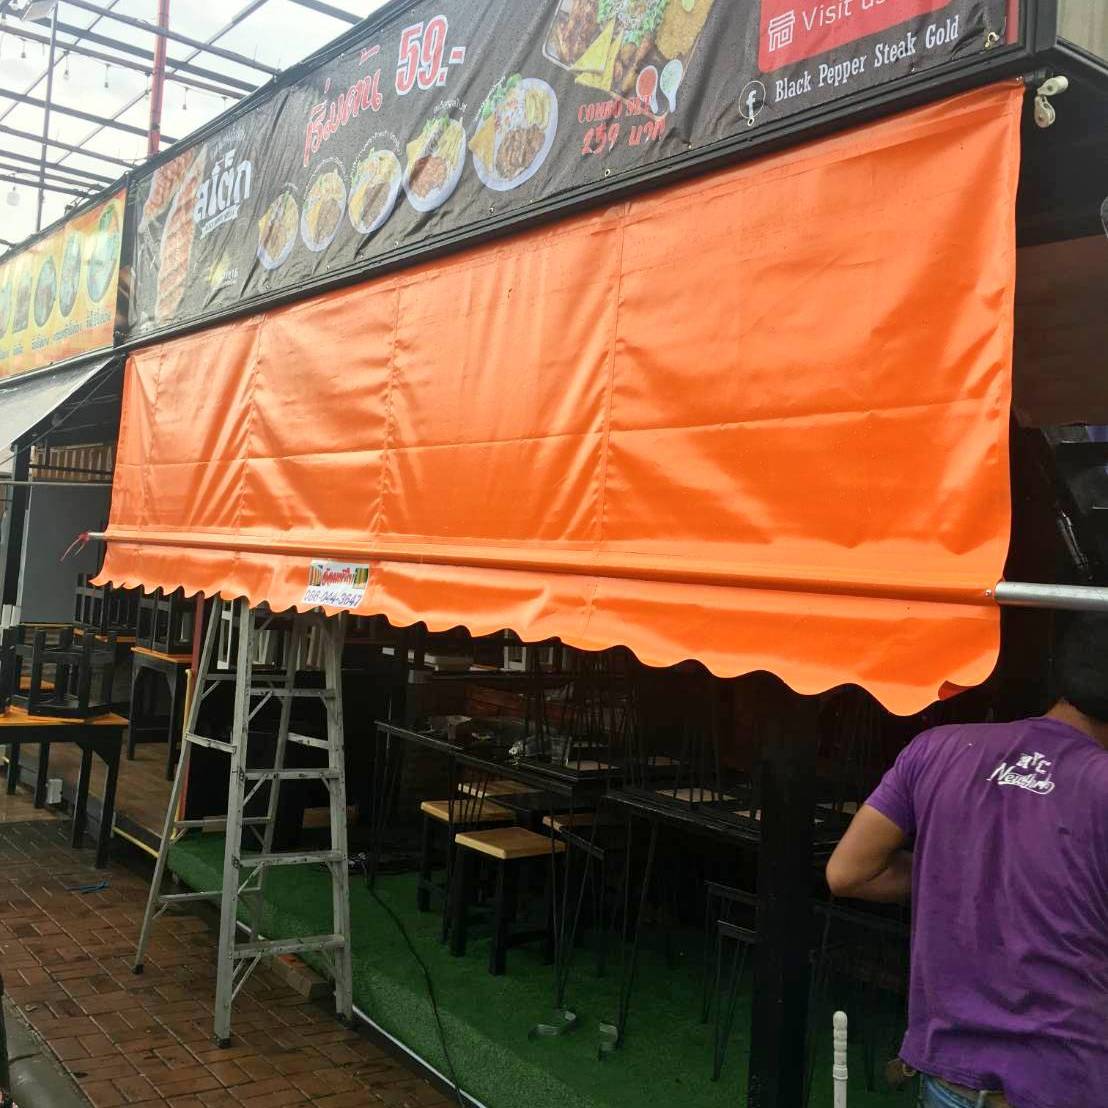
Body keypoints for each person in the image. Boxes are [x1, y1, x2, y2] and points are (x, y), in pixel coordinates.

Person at [826, 613, 1108, 1108]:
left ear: (1058, 673)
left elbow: (848, 870)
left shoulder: (936, 748)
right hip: (1069, 1083)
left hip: (950, 1080)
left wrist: (963, 867)